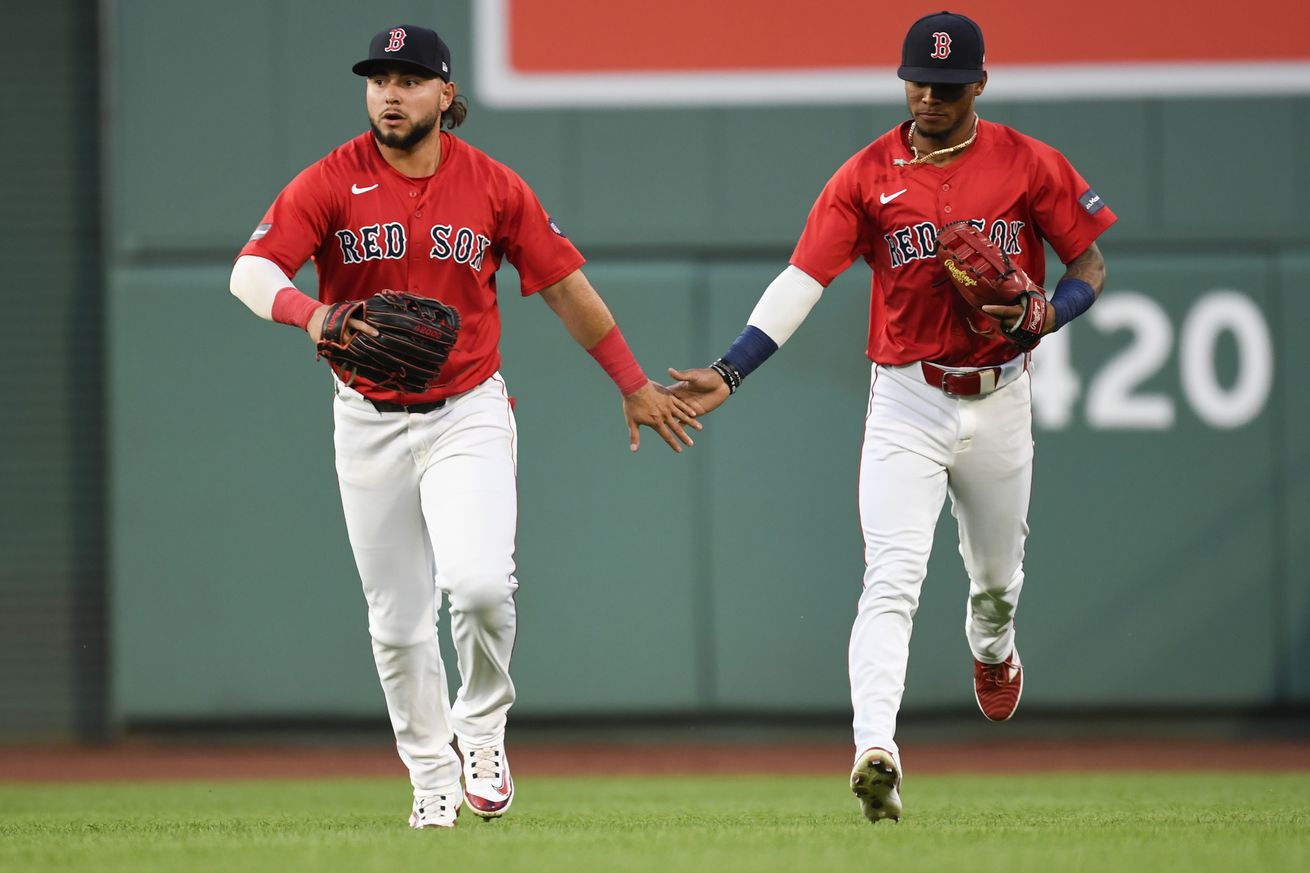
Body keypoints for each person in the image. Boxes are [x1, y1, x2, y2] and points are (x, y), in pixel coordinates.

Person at [229, 23, 699, 829]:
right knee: (397, 622)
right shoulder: (331, 181)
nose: (389, 92)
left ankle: (481, 729)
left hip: (467, 411)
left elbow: (563, 287)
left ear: (447, 94)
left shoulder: (493, 185)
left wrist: (632, 383)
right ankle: (429, 775)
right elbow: (250, 270)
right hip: (365, 417)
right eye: (378, 78)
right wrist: (314, 316)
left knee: (479, 586)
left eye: (408, 79)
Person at [668, 11, 1115, 822]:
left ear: (978, 84)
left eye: (946, 85)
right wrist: (733, 369)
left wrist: (1054, 311)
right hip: (906, 396)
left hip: (1000, 393)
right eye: (917, 80)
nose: (928, 95)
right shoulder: (867, 176)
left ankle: (994, 649)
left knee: (994, 584)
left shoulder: (1027, 162)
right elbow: (804, 279)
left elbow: (1088, 260)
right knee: (891, 578)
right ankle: (876, 748)